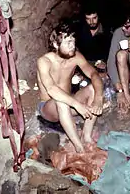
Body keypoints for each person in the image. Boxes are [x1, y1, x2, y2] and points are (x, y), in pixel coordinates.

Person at [36, 20, 104, 153]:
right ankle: (79, 147)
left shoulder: (76, 56)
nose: (72, 46)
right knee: (61, 101)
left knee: (92, 88)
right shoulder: (44, 61)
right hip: (48, 108)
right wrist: (77, 104)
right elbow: (52, 89)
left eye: (73, 41)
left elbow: (94, 74)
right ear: (56, 44)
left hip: (69, 102)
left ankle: (87, 136)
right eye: (68, 43)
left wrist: (99, 98)